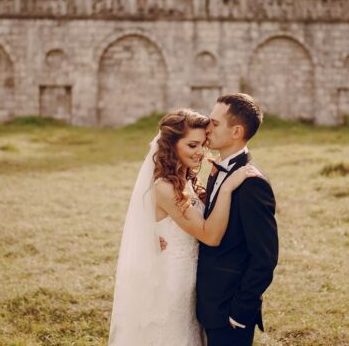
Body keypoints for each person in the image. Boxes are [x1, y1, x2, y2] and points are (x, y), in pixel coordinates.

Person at [108, 108, 261, 346]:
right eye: (192, 146)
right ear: (172, 146)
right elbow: (209, 236)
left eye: (203, 144)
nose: (200, 152)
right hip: (173, 283)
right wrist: (228, 187)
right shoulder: (165, 188)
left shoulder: (187, 179)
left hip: (194, 282)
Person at [197, 93, 278, 346]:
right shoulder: (217, 168)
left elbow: (265, 257)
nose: (207, 128)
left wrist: (240, 310)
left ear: (236, 132)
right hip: (208, 304)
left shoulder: (253, 184)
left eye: (215, 123)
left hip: (229, 312)